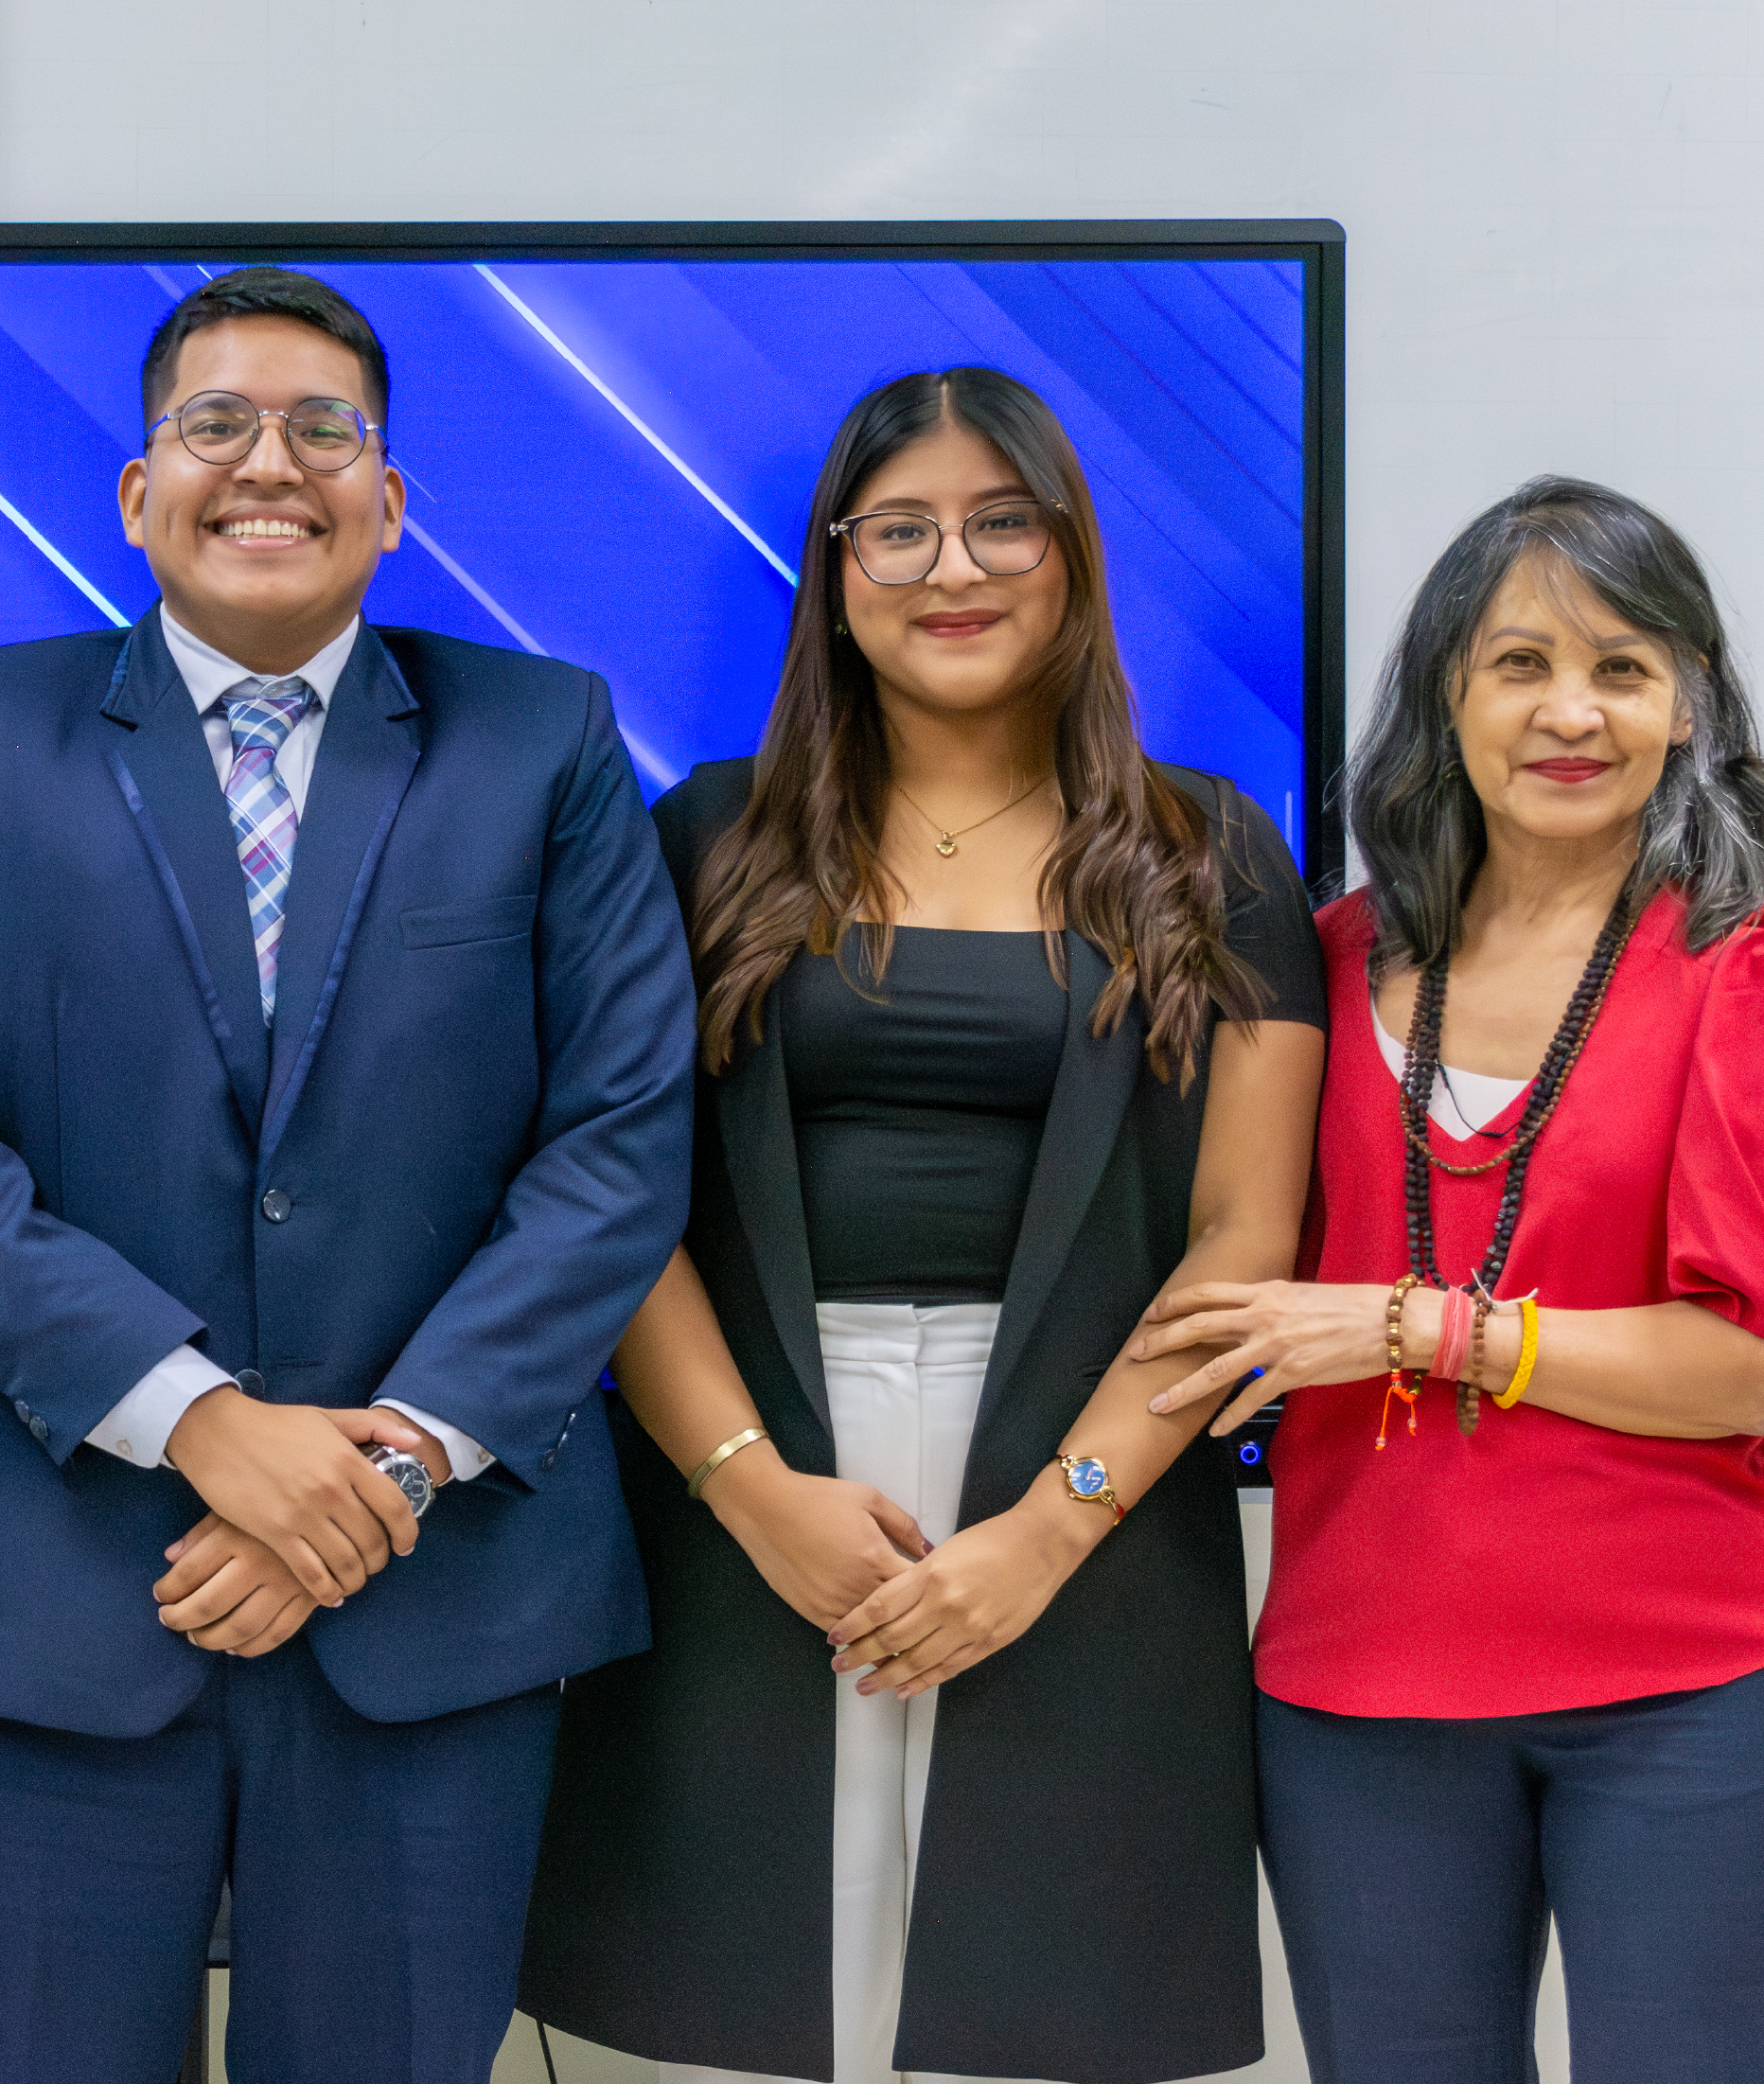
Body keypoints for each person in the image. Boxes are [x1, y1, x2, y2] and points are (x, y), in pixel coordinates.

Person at [0, 266, 695, 2084]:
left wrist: (380, 1463)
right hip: (57, 1599)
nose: (267, 463)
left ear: (389, 498)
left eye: (324, 427)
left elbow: (617, 1141)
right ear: (138, 491)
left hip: (429, 1596)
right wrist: (204, 1419)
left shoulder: (539, 738)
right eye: (214, 422)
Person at [520, 367, 1326, 2084]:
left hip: (1089, 1485)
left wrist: (1046, 1528)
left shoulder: (1208, 851)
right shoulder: (706, 840)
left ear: (1070, 556)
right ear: (832, 567)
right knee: (735, 2018)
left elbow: (1242, 1240)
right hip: (750, 1470)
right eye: (898, 529)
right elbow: (611, 1203)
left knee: (1029, 2021)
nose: (949, 567)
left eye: (998, 522)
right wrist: (750, 1490)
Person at [1138, 477, 1764, 2084]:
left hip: (1694, 1705)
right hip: (1357, 1706)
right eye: (1519, 664)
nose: (1573, 711)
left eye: (1623, 668)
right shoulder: (1317, 959)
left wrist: (1418, 1325)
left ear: (1687, 702)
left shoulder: (1756, 969)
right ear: (1444, 693)